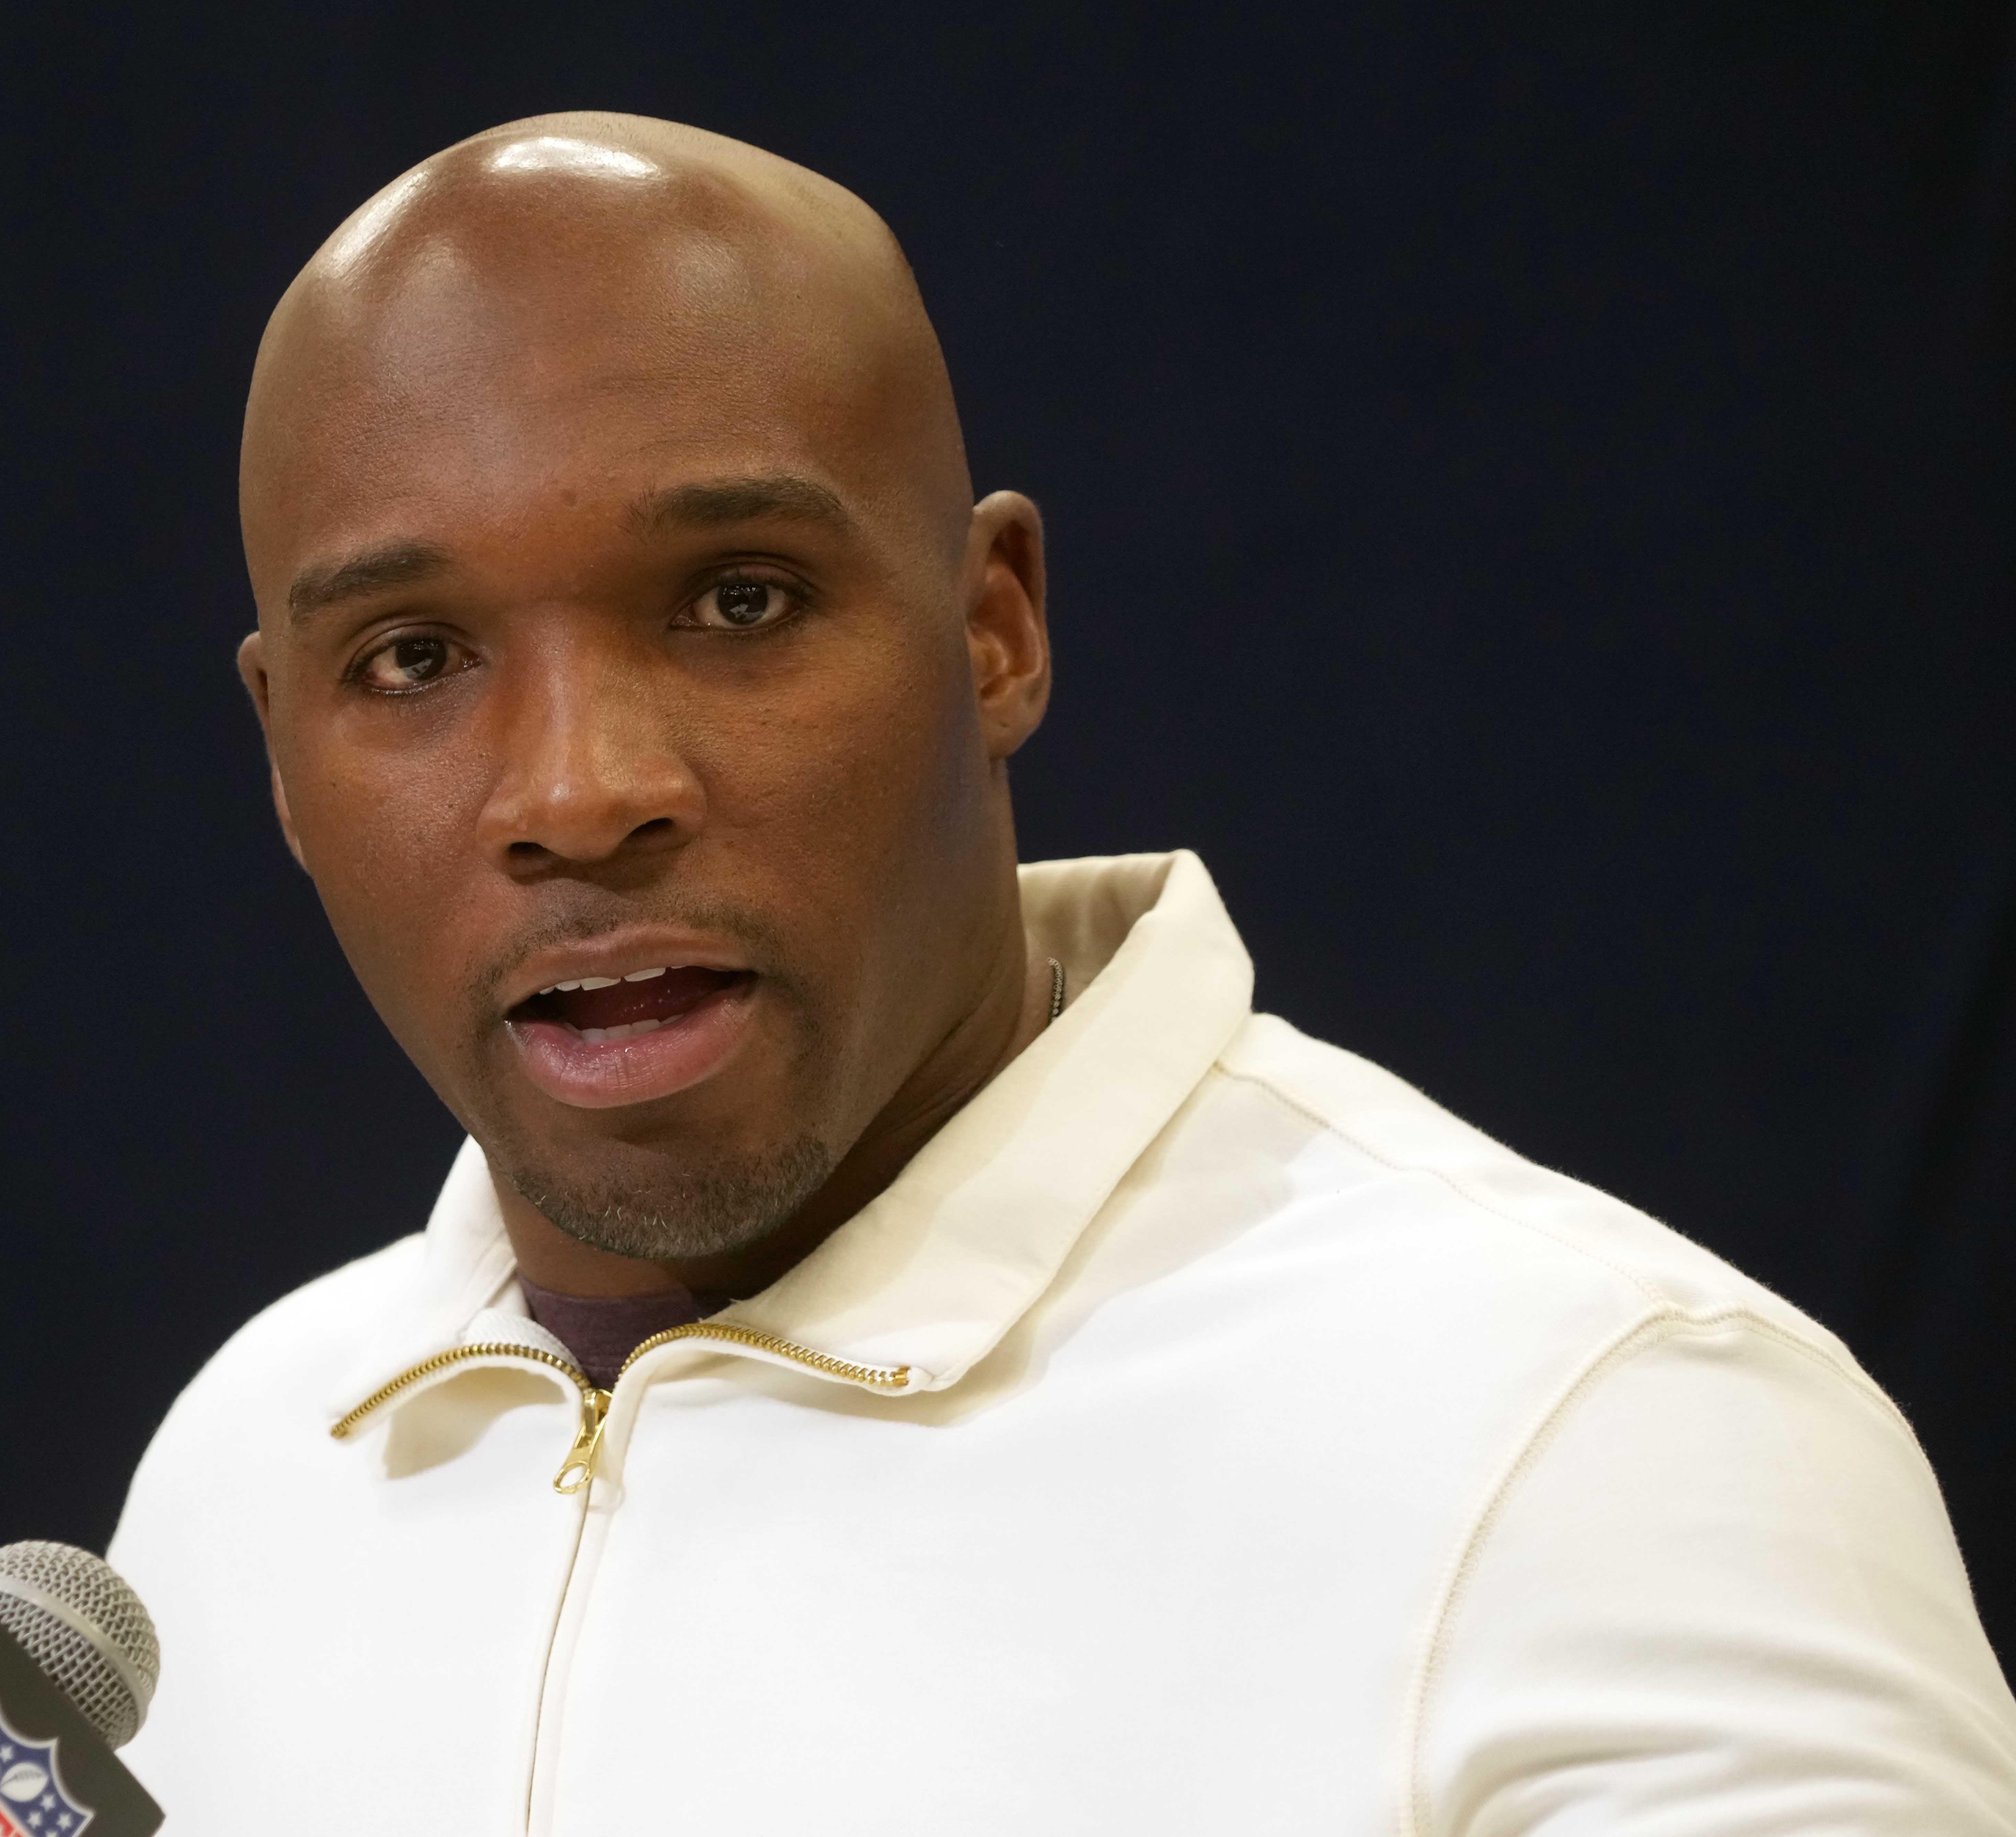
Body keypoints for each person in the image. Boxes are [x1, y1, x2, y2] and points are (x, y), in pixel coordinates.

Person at [108, 113, 2016, 1833]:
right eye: (415, 660)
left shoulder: (1596, 1442)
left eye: (739, 602)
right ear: (282, 750)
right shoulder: (236, 1479)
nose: (579, 791)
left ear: (990, 626)